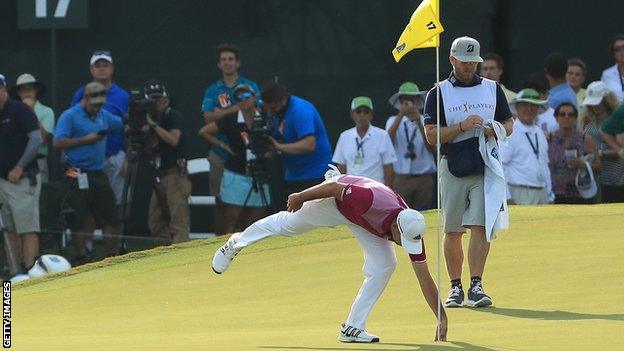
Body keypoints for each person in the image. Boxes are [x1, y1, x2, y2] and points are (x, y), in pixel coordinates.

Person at [211, 170, 448, 343]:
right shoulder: (370, 202)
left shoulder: (413, 230)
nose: (403, 245)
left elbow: (424, 277)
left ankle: (352, 328)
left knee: (386, 264)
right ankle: (235, 243)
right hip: (335, 202)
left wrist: (442, 318)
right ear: (397, 227)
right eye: (401, 239)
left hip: (359, 217)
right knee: (288, 225)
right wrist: (301, 196)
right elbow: (336, 189)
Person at [423, 36, 514, 308]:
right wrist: (461, 127)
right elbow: (431, 135)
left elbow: (508, 122)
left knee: (480, 226)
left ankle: (476, 284)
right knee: (453, 229)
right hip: (452, 164)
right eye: (464, 63)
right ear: (452, 60)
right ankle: (454, 286)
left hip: (485, 163)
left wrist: (495, 129)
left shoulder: (491, 88)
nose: (469, 68)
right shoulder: (438, 92)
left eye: (474, 62)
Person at [54, 82, 124, 264]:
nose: (97, 108)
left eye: (100, 105)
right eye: (94, 105)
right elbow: (58, 142)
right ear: (85, 99)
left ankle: (111, 256)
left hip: (97, 171)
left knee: (111, 214)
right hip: (75, 170)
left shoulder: (103, 115)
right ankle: (82, 255)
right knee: (79, 215)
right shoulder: (70, 116)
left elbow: (120, 122)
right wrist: (86, 140)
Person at [201, 43, 261, 235]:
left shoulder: (249, 85)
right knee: (222, 201)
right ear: (219, 64)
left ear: (237, 63)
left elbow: (257, 110)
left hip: (248, 153)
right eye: (223, 60)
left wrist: (223, 111)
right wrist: (237, 107)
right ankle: (220, 241)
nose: (227, 63)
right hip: (221, 153)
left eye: (231, 59)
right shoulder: (212, 90)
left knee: (251, 202)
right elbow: (207, 118)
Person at [198, 84, 270, 233]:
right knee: (234, 223)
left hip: (261, 174)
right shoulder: (230, 119)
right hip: (236, 175)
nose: (243, 100)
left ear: (254, 97)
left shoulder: (265, 116)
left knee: (257, 224)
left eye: (246, 96)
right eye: (239, 98)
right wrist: (223, 146)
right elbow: (204, 132)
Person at [71, 51, 129, 207]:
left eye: (105, 65)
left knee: (117, 204)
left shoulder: (123, 96)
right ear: (91, 70)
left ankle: (113, 232)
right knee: (87, 204)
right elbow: (71, 125)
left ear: (112, 68)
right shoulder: (80, 94)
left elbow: (128, 128)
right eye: (98, 66)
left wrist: (127, 158)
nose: (102, 69)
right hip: (87, 159)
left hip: (115, 156)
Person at [261, 81, 333, 204]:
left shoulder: (300, 110)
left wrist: (278, 146)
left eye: (273, 108)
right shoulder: (276, 112)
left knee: (315, 219)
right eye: (268, 109)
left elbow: (309, 144)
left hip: (315, 175)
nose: (270, 112)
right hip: (293, 175)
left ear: (283, 100)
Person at [0, 73, 42, 275]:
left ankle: (31, 272)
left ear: (3, 89)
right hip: (2, 182)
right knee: (9, 228)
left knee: (27, 227)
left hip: (23, 179)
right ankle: (15, 273)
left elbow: (36, 140)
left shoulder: (19, 110)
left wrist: (19, 166)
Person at [143, 80, 191, 245]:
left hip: (175, 174)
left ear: (165, 99)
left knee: (179, 222)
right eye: (152, 100)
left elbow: (173, 140)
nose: (156, 103)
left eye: (159, 99)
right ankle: (164, 255)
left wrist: (153, 126)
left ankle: (182, 258)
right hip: (159, 175)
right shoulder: (148, 120)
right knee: (155, 223)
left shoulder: (172, 116)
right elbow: (149, 149)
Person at [385, 82, 436, 210]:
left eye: (412, 98)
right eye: (405, 98)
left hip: (423, 179)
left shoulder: (427, 120)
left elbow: (431, 147)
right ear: (400, 101)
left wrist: (419, 121)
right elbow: (387, 142)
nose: (409, 102)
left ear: (418, 100)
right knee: (401, 215)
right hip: (401, 179)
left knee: (424, 214)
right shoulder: (393, 120)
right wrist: (401, 114)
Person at [500, 89, 553, 205]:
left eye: (534, 105)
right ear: (517, 108)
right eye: (525, 105)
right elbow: (500, 166)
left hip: (542, 193)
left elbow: (544, 165)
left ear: (538, 109)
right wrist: (507, 197)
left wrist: (550, 195)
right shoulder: (511, 132)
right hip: (520, 192)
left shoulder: (539, 132)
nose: (529, 109)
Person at [333, 96, 396, 185]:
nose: (362, 115)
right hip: (352, 189)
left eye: (366, 112)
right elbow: (341, 166)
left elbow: (389, 167)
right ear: (352, 114)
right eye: (358, 112)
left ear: (371, 114)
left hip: (375, 188)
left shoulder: (383, 135)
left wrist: (388, 191)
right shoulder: (344, 136)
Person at [548, 102, 599, 204]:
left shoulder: (585, 139)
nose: (566, 117)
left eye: (570, 114)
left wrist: (583, 164)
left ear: (575, 118)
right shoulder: (550, 139)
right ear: (556, 118)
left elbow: (599, 166)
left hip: (581, 193)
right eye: (562, 114)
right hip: (557, 194)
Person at [581, 81, 624, 202]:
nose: (595, 106)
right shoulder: (587, 119)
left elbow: (619, 151)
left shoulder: (617, 120)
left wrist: (598, 153)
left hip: (614, 180)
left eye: (598, 102)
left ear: (606, 100)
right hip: (593, 179)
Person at [10, 73, 55, 181]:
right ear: (19, 93)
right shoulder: (10, 112)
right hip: (14, 163)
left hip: (38, 162)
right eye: (23, 89)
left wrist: (31, 111)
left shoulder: (47, 111)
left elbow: (43, 139)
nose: (27, 92)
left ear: (36, 91)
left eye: (30, 89)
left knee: (41, 196)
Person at [600, 34, 624, 102]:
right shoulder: (607, 74)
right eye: (617, 49)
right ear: (613, 54)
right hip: (615, 112)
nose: (622, 51)